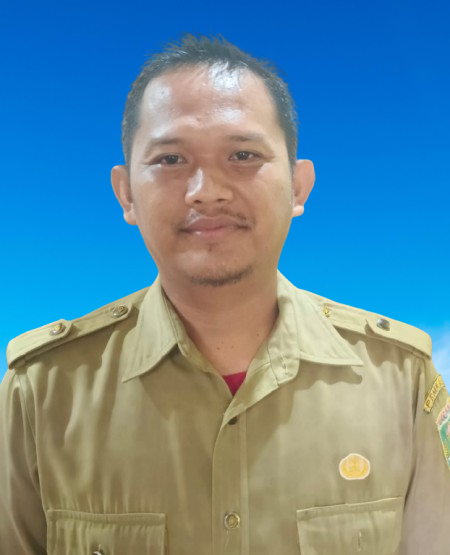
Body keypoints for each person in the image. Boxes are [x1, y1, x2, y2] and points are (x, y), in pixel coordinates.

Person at [0, 32, 449, 555]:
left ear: (298, 186)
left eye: (242, 154)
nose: (206, 191)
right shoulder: (41, 392)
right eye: (171, 159)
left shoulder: (400, 379)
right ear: (126, 194)